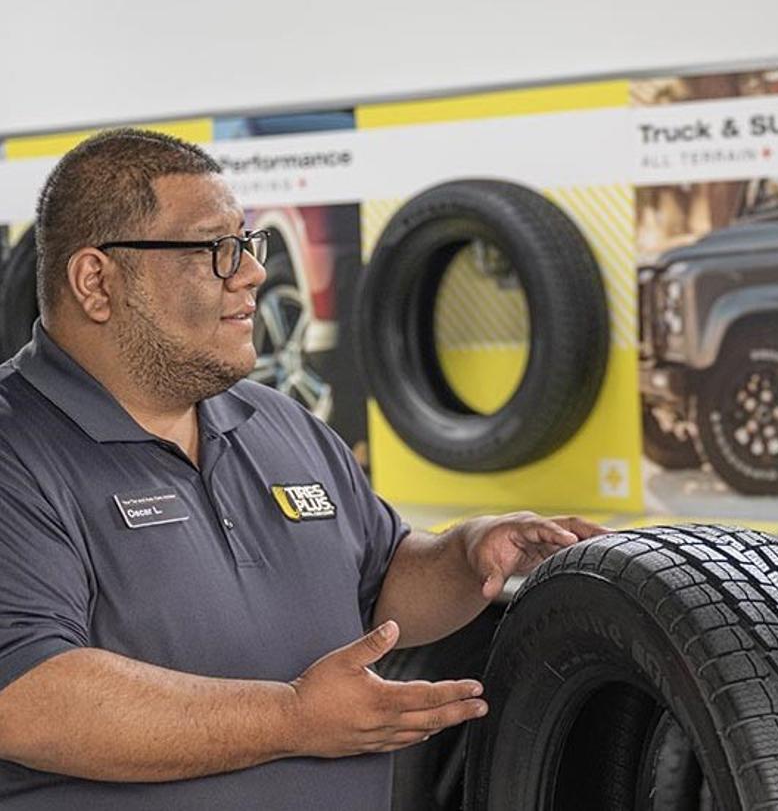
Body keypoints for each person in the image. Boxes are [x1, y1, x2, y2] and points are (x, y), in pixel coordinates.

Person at [0, 128, 610, 810]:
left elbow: (380, 585)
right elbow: (26, 700)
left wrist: (464, 557)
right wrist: (295, 719)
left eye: (247, 244)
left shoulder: (277, 422)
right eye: (214, 249)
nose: (251, 273)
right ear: (96, 281)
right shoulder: (16, 450)